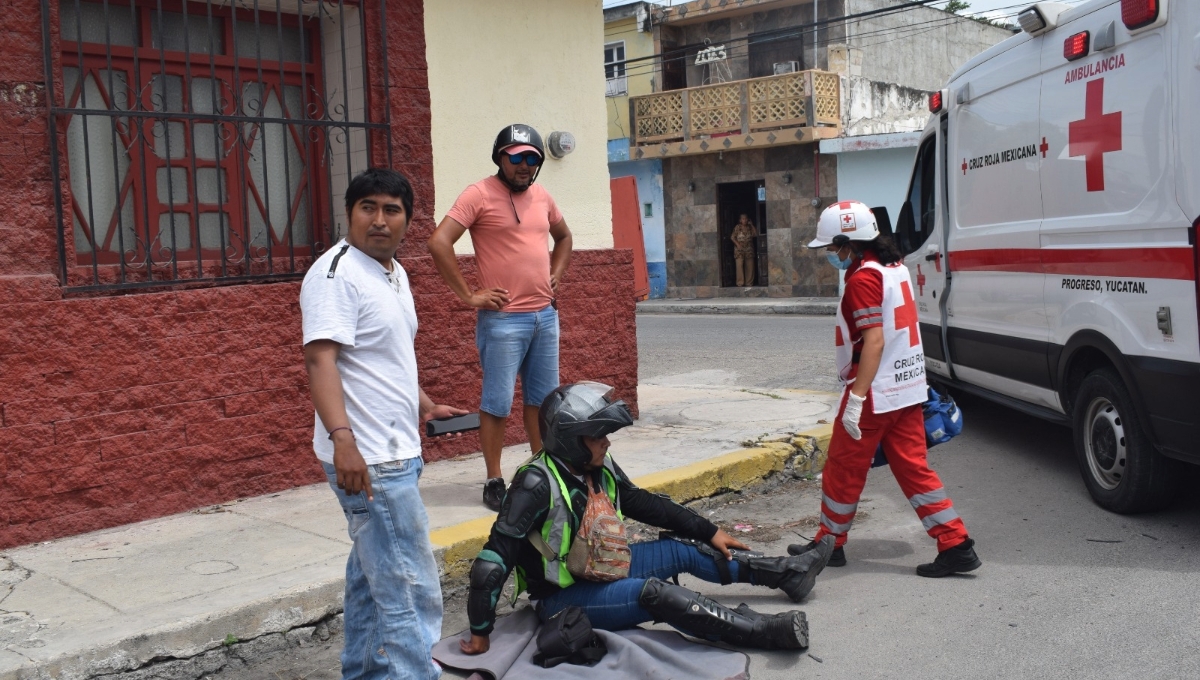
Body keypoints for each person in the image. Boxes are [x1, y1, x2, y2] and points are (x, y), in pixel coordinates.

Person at [459, 381, 836, 655]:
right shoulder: (536, 483)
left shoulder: (595, 465)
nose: (606, 441)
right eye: (598, 435)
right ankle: (763, 632)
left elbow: (644, 503)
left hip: (603, 569)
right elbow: (493, 561)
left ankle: (788, 573)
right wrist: (480, 631)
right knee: (658, 594)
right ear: (570, 439)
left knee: (687, 548)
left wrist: (710, 530)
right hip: (562, 598)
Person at [301, 168, 469, 680]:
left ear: (407, 220)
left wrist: (422, 405)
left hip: (396, 449)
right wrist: (344, 441)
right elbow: (320, 361)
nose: (379, 220)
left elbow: (382, 355)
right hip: (370, 459)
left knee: (373, 582)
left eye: (391, 210)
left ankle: (368, 674)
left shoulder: (392, 271)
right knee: (409, 588)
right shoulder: (336, 275)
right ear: (350, 214)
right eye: (367, 208)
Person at [788, 200, 981, 577]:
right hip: (909, 388)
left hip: (876, 392)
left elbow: (873, 341)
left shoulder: (863, 279)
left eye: (832, 248)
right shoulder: (894, 268)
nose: (831, 255)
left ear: (849, 243)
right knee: (914, 470)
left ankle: (830, 543)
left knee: (843, 468)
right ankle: (956, 543)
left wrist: (856, 400)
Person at [428, 124, 574, 512]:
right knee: (497, 403)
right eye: (516, 157)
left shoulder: (542, 196)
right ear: (500, 158)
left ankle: (544, 470)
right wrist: (468, 296)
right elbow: (439, 242)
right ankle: (494, 479)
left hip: (545, 316)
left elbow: (564, 237)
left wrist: (556, 271)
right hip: (504, 320)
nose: (524, 166)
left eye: (532, 159)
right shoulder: (479, 194)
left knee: (543, 402)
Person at [730, 214, 757, 287]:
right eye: (743, 219)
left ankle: (749, 283)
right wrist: (737, 244)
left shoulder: (750, 227)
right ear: (740, 220)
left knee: (750, 266)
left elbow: (755, 234)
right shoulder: (737, 227)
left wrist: (752, 225)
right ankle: (740, 283)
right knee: (739, 265)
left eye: (746, 219)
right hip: (739, 250)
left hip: (749, 249)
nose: (744, 220)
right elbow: (732, 237)